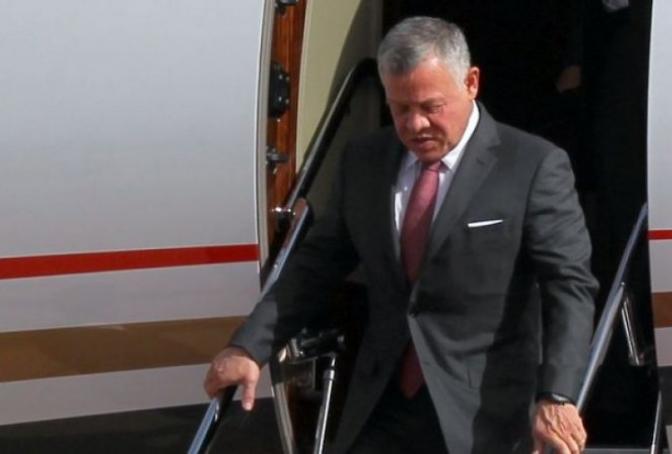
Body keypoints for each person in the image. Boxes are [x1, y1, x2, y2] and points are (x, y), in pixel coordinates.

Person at [204, 17, 597, 454]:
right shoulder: (365, 161)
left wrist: (557, 394)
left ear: (471, 83)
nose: (415, 124)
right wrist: (250, 346)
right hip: (382, 404)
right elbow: (316, 266)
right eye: (400, 108)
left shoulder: (531, 165)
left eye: (431, 106)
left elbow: (569, 286)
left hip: (485, 415)